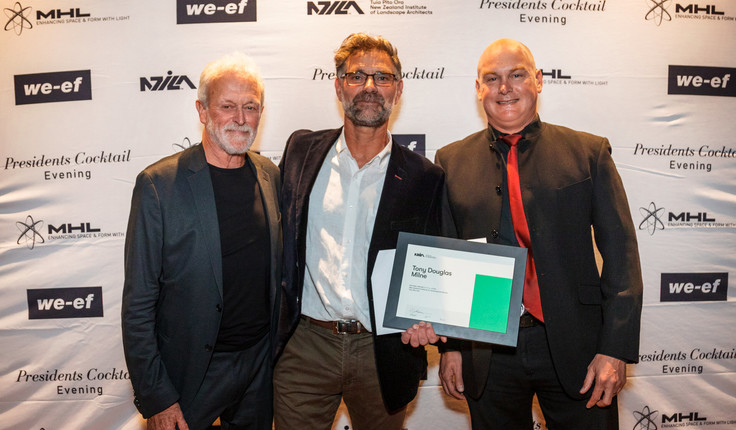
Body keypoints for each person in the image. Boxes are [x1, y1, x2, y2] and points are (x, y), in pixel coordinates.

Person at [432, 38, 643, 429]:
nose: (504, 88)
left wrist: (614, 349)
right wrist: (454, 348)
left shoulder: (588, 152)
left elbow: (622, 258)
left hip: (578, 347)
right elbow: (448, 261)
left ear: (539, 80)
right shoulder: (451, 161)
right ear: (478, 89)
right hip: (487, 350)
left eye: (517, 75)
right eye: (491, 79)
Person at [274, 33, 444, 429]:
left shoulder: (424, 176)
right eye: (357, 76)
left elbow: (433, 263)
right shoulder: (300, 151)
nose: (369, 86)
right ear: (338, 85)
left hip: (382, 350)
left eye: (383, 77)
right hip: (305, 346)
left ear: (398, 89)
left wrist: (430, 316)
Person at [121, 53, 281, 430]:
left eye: (250, 107)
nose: (240, 119)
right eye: (227, 106)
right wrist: (158, 396)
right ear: (202, 110)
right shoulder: (159, 186)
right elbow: (138, 303)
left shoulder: (269, 174)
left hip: (259, 365)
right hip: (191, 372)